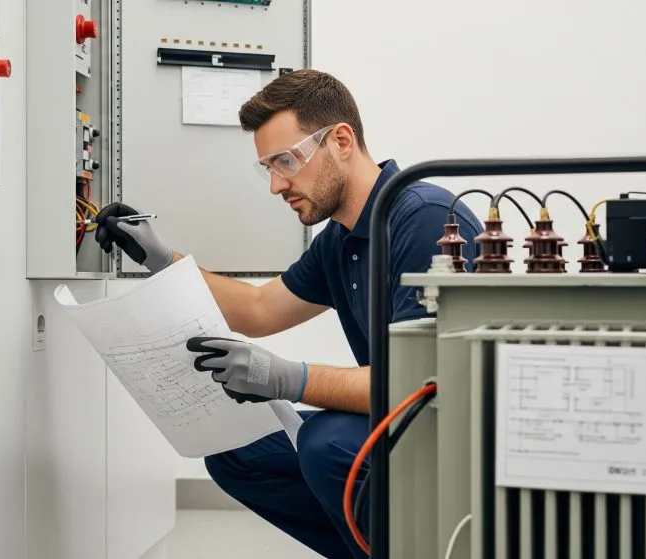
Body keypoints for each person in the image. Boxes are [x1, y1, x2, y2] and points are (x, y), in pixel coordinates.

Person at [94, 69, 482, 558]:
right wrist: (159, 257)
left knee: (324, 444)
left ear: (341, 140)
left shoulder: (422, 220)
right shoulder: (342, 238)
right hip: (400, 415)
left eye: (286, 160)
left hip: (450, 430)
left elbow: (418, 384)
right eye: (268, 167)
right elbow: (258, 310)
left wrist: (286, 379)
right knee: (237, 452)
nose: (276, 185)